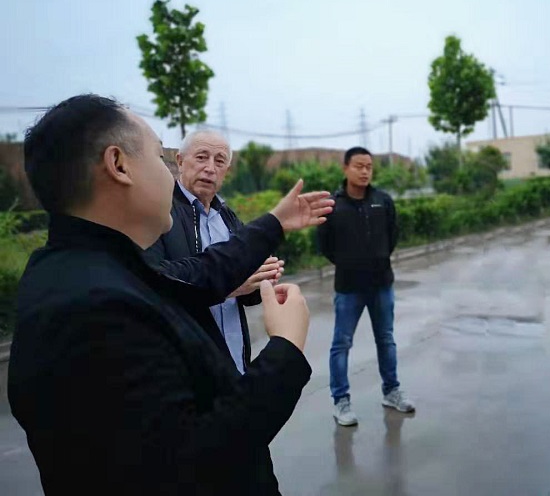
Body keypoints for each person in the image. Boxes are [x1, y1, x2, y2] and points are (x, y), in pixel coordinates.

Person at [8, 95, 333, 495]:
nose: (171, 175)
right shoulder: (95, 313)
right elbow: (201, 460)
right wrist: (285, 348)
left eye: (219, 161)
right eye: (161, 159)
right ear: (119, 165)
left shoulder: (91, 268)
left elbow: (198, 274)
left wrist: (274, 223)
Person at [147, 129, 283, 374]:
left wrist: (261, 279)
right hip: (187, 367)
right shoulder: (159, 214)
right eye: (201, 157)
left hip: (235, 360)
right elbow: (153, 284)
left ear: (226, 172)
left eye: (219, 161)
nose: (210, 168)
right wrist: (228, 286)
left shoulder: (228, 217)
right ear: (180, 161)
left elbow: (246, 295)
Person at [317, 146, 414, 426]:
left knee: (386, 339)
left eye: (369, 167)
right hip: (348, 287)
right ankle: (341, 401)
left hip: (381, 284)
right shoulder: (333, 206)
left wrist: (378, 259)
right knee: (341, 343)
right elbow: (324, 244)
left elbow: (392, 235)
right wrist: (349, 263)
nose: (364, 171)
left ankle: (391, 391)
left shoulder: (383, 201)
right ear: (346, 168)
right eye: (359, 166)